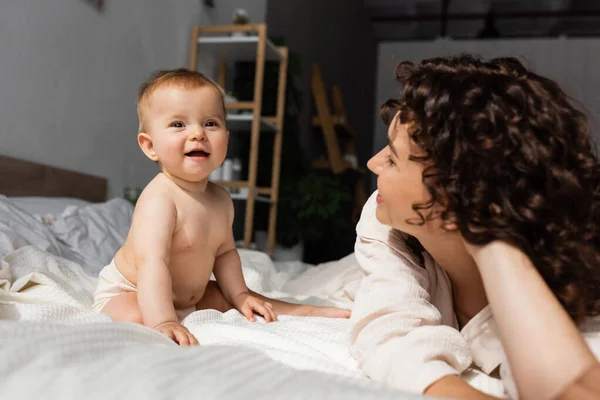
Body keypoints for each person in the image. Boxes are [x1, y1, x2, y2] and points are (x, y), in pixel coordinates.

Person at [350, 54, 600, 399]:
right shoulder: (382, 218)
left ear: (456, 203)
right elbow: (389, 332)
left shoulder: (563, 289)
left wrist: (489, 238)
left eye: (392, 158)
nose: (372, 163)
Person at [92, 69, 350, 346]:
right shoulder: (160, 199)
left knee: (232, 299)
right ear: (150, 145)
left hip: (188, 295)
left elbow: (225, 253)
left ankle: (305, 311)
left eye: (210, 123)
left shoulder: (221, 200)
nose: (197, 134)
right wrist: (164, 320)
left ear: (226, 138)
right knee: (134, 316)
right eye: (178, 124)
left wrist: (239, 294)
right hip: (132, 289)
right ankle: (164, 317)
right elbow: (152, 264)